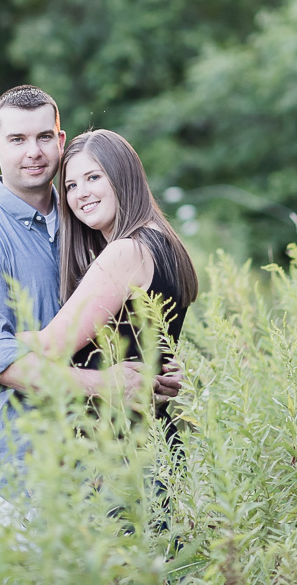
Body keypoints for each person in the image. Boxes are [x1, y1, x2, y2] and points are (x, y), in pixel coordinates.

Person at [0, 86, 183, 481]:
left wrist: (155, 361)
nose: (33, 152)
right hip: (23, 464)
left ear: (60, 141)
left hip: (102, 462)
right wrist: (104, 384)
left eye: (42, 137)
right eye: (17, 140)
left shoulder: (90, 223)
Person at [16, 130, 198, 393]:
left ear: (122, 178)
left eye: (93, 177)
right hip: (148, 427)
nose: (82, 193)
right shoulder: (163, 243)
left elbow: (52, 345)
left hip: (116, 430)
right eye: (71, 186)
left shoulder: (126, 252)